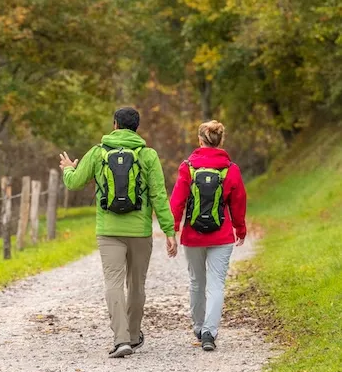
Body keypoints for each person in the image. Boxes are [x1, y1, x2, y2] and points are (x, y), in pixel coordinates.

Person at [60, 107, 177, 358]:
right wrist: (169, 230)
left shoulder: (98, 152)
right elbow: (158, 194)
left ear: (114, 124)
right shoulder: (148, 155)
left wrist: (68, 168)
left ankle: (120, 339)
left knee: (113, 283)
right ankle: (134, 337)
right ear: (137, 127)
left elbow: (74, 182)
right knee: (136, 285)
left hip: (108, 230)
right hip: (139, 231)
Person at [169, 120, 247, 352]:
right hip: (221, 235)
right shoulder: (231, 169)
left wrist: (171, 230)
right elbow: (239, 202)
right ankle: (209, 333)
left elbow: (177, 201)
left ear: (200, 140)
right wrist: (240, 229)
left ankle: (198, 326)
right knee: (216, 284)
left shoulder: (188, 167)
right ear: (221, 141)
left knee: (196, 282)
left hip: (193, 235)